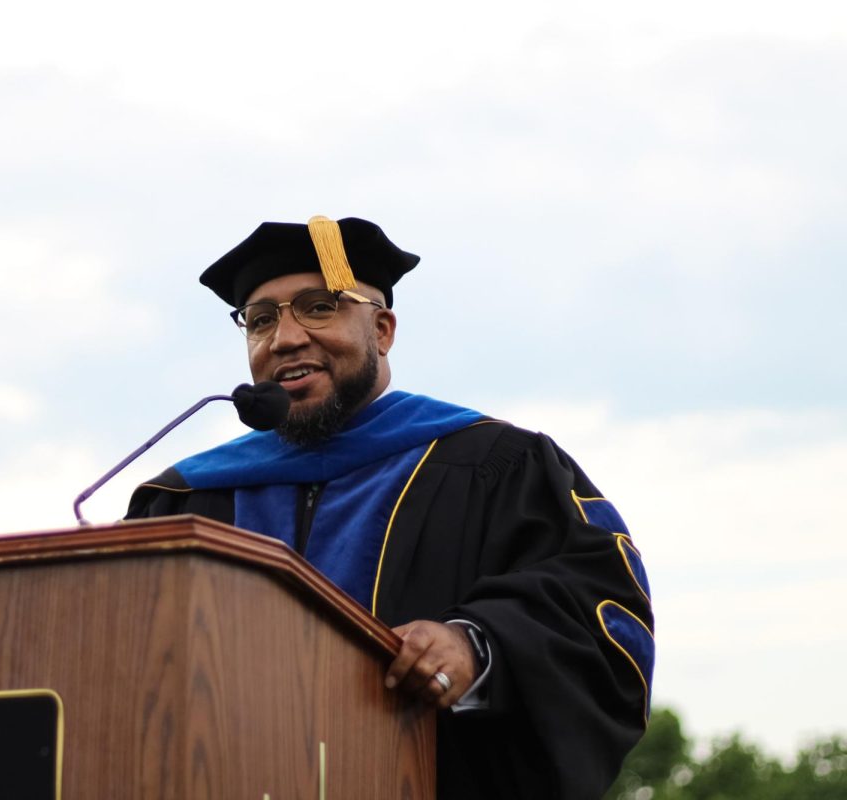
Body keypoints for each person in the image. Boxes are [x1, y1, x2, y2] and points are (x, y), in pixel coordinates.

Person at [126, 216, 654, 799]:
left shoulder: (496, 466)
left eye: (319, 306)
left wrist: (478, 645)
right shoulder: (185, 502)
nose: (286, 338)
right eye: (260, 320)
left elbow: (601, 612)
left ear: (381, 330)